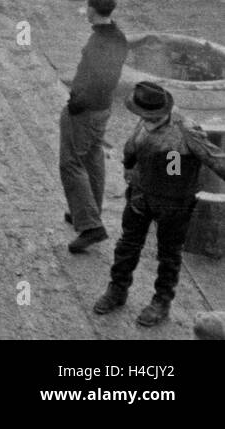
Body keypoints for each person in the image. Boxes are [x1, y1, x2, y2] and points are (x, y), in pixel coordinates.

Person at [93, 82, 225, 327]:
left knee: (169, 255)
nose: (145, 119)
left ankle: (161, 302)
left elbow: (216, 159)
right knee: (127, 246)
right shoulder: (143, 121)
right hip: (141, 196)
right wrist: (129, 169)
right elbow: (131, 150)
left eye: (150, 115)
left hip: (174, 204)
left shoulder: (186, 130)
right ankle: (117, 289)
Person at [61, 0, 129, 254]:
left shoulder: (99, 43)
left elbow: (97, 79)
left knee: (70, 163)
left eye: (87, 5)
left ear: (92, 9)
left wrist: (76, 103)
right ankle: (88, 210)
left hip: (86, 111)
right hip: (102, 109)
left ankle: (90, 226)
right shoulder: (117, 36)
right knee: (92, 159)